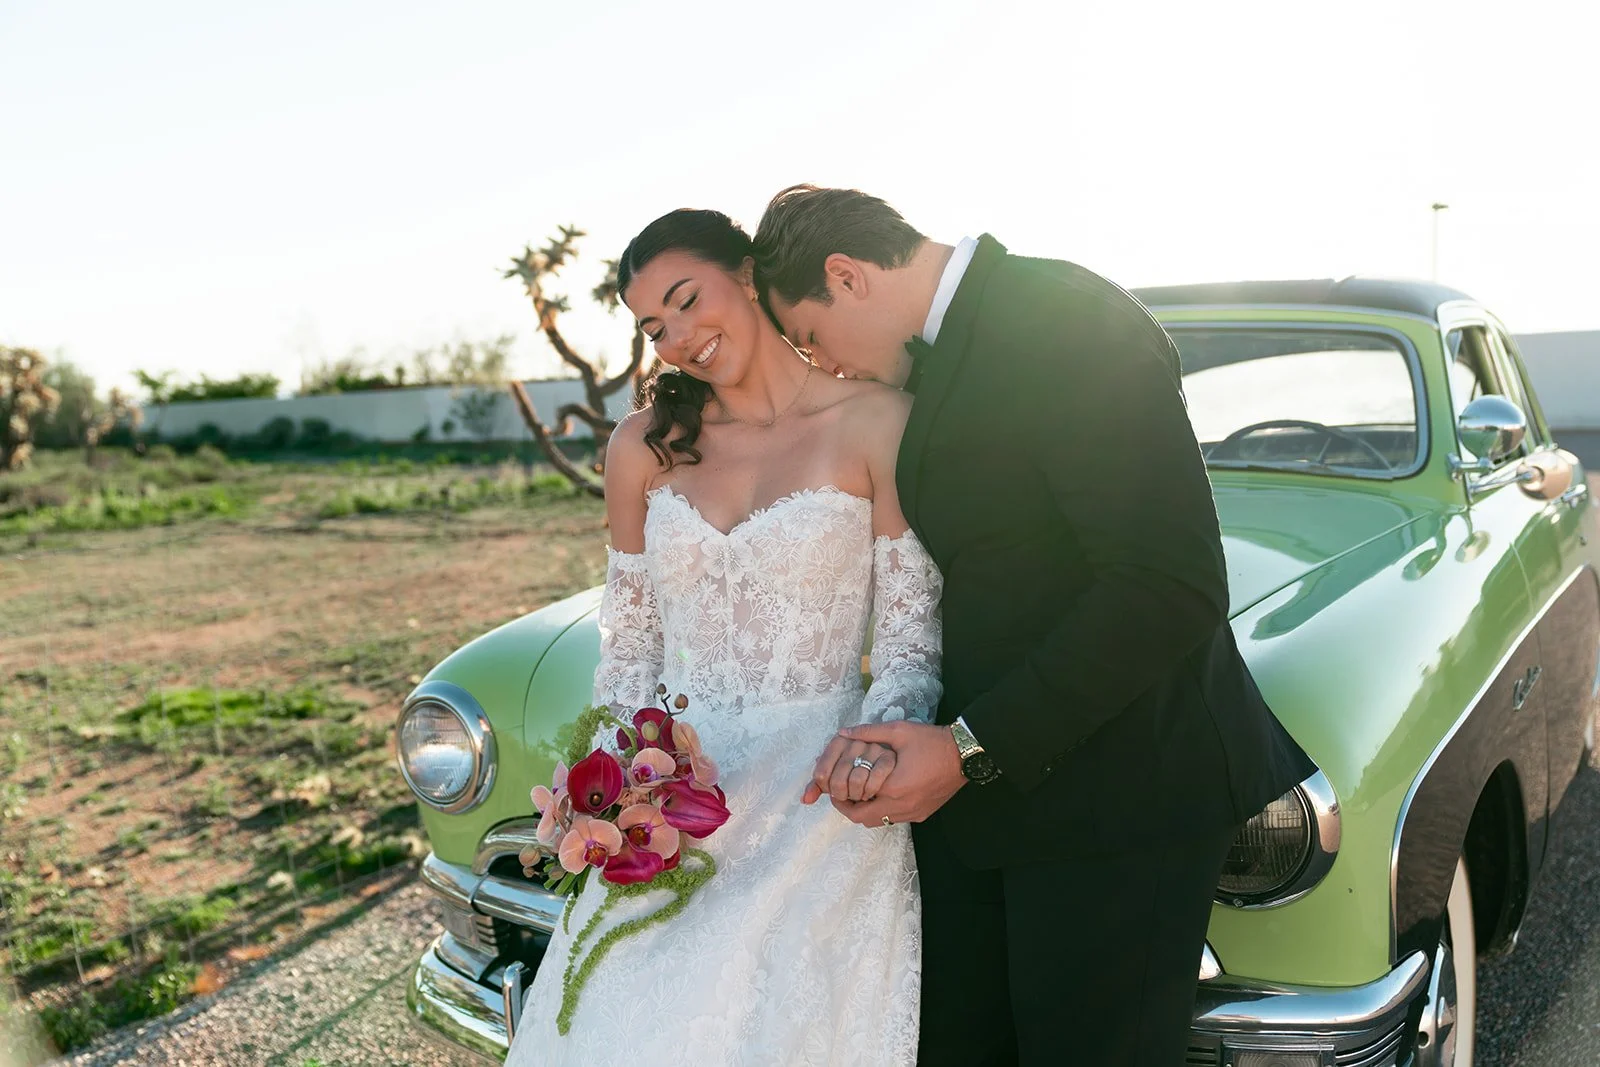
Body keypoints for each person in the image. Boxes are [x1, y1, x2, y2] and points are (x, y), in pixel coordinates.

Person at [756, 185, 1316, 1067]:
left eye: (813, 339)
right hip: (995, 802)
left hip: (1122, 800)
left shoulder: (1064, 320)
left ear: (846, 275)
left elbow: (1168, 584)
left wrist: (973, 746)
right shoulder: (936, 359)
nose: (825, 366)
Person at [505, 207, 938, 1065]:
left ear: (745, 275)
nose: (675, 337)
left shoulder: (877, 421)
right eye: (653, 326)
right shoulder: (640, 448)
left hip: (824, 796)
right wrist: (618, 788)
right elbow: (628, 646)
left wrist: (870, 754)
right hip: (673, 800)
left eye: (685, 299)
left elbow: (908, 641)